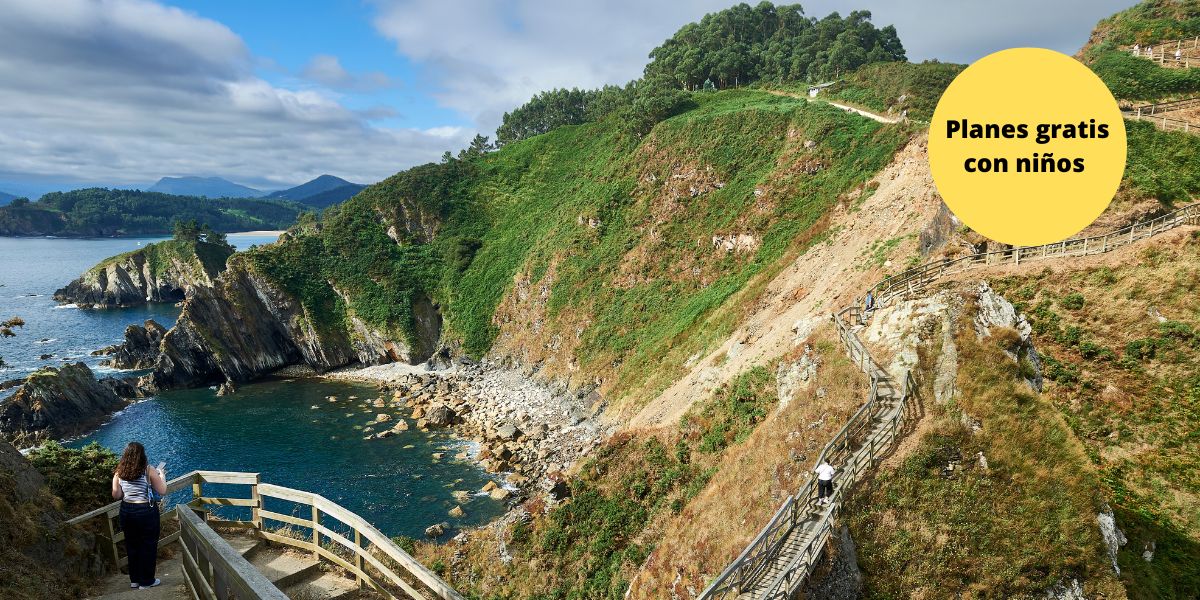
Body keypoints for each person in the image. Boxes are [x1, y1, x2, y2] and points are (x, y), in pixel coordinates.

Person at [111, 442, 166, 589]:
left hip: (127, 510)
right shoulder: (148, 470)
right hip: (145, 511)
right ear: (142, 455)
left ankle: (134, 580)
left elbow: (116, 495)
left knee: (132, 545)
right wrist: (162, 476)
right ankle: (146, 581)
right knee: (148, 545)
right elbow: (162, 491)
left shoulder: (119, 472)